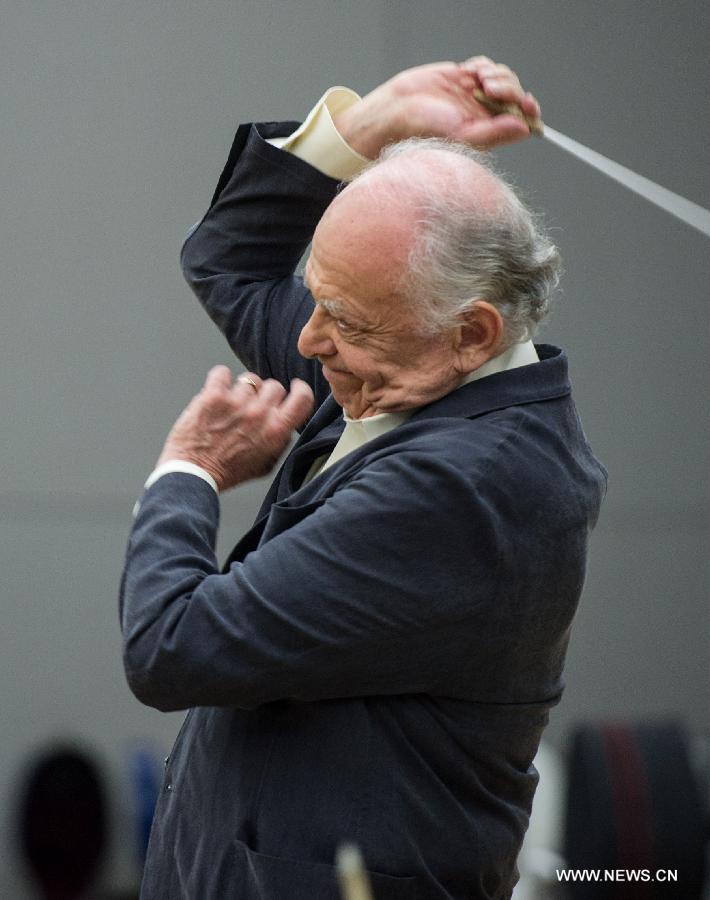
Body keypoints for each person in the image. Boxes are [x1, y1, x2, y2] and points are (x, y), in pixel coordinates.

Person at [120, 56, 607, 899]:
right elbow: (228, 261)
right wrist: (377, 122)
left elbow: (172, 644)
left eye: (340, 317)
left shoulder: (467, 487)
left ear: (471, 332)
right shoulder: (405, 363)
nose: (308, 342)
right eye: (316, 299)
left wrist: (188, 471)